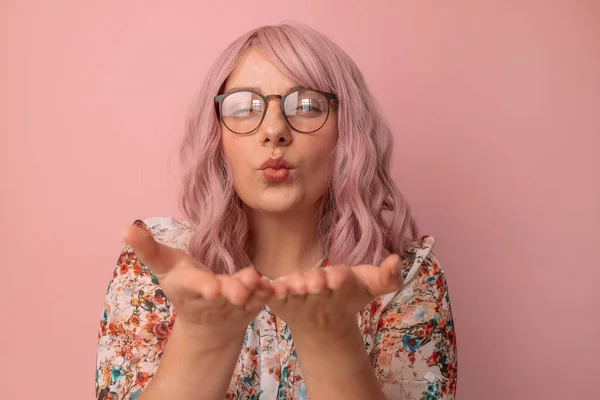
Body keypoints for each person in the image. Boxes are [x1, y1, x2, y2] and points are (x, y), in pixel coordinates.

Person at [95, 22, 458, 400]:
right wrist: (202, 338)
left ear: (347, 130)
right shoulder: (160, 266)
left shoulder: (407, 278)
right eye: (242, 107)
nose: (274, 130)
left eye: (305, 105)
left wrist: (330, 338)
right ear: (216, 136)